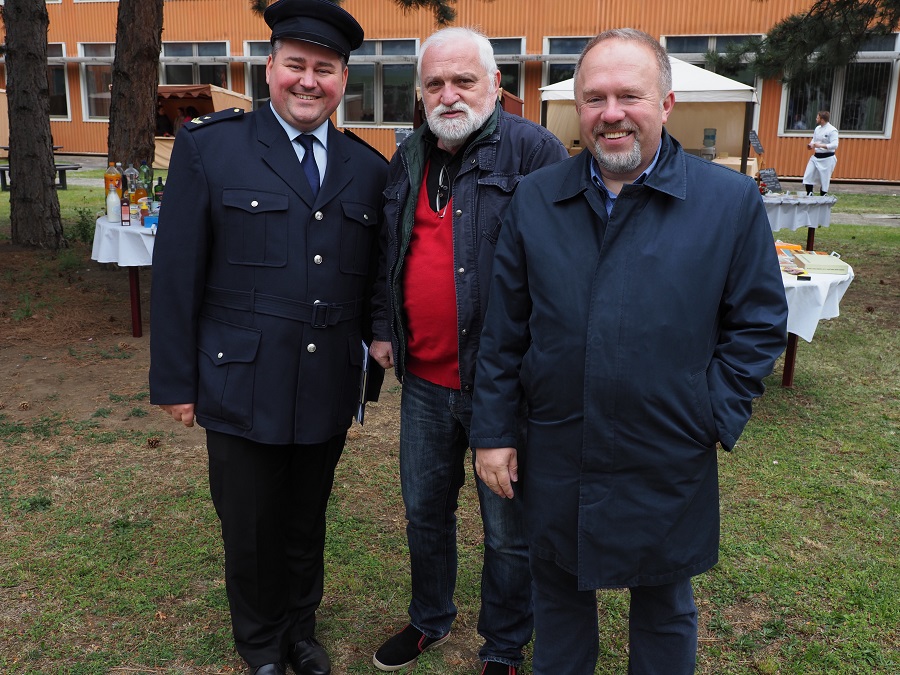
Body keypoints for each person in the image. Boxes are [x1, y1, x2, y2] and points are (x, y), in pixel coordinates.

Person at [469, 29, 788, 675]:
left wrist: (711, 412)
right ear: (578, 109)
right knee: (558, 597)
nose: (611, 113)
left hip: (667, 447)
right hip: (556, 443)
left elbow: (758, 324)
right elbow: (504, 330)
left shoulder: (727, 203)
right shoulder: (537, 198)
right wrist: (494, 433)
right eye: (595, 98)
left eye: (629, 96)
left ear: (666, 103)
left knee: (664, 603)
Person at [148, 1, 387, 674]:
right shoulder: (210, 148)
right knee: (251, 525)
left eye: (325, 69)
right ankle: (260, 645)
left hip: (326, 378)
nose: (309, 81)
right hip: (240, 378)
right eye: (295, 65)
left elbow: (375, 276)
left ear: (344, 80)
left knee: (306, 519)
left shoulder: (369, 168)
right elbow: (177, 274)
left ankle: (300, 631)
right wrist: (176, 381)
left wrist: (374, 358)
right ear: (269, 68)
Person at [368, 26, 567, 675]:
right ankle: (430, 616)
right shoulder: (408, 155)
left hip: (503, 387)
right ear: (420, 93)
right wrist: (382, 326)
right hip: (424, 380)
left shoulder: (534, 151)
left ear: (495, 84)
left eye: (463, 81)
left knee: (507, 530)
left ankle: (503, 646)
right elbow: (389, 252)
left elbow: (562, 269)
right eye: (435, 83)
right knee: (425, 513)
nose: (448, 95)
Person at [803, 110, 838, 196]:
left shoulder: (832, 130)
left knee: (824, 179)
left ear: (822, 120)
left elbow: (834, 145)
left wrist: (821, 145)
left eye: (817, 118)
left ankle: (823, 195)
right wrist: (811, 145)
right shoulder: (817, 129)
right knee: (808, 174)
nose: (816, 119)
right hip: (816, 156)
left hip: (827, 158)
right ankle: (809, 193)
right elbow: (814, 140)